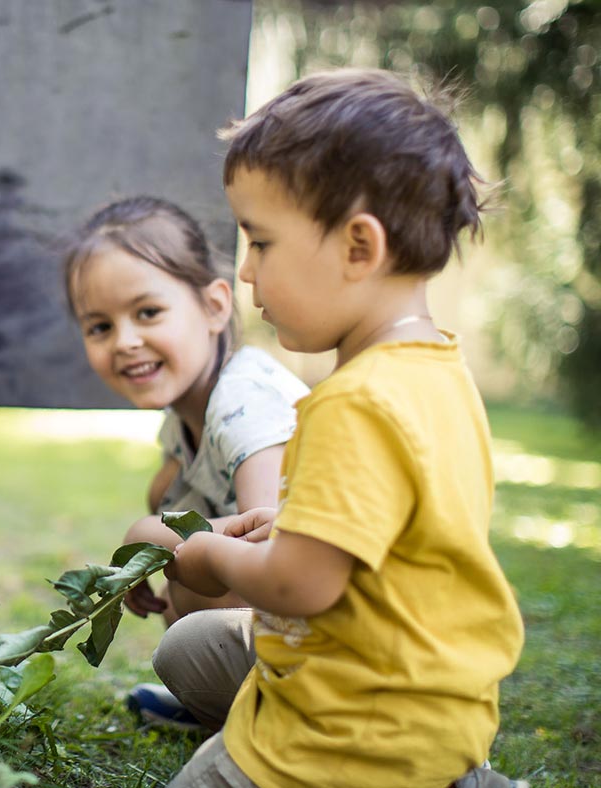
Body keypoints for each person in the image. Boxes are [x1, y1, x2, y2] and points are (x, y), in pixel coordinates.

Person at [163, 68, 526, 787]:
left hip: (355, 730)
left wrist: (208, 557)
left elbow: (298, 587)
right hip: (432, 699)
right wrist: (293, 522)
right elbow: (397, 532)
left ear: (359, 248)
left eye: (261, 243)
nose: (244, 275)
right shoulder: (437, 371)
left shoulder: (354, 401)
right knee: (187, 650)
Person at [62, 196, 309, 728]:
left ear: (215, 307)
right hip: (299, 624)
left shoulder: (244, 403)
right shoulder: (187, 414)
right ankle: (233, 706)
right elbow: (173, 494)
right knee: (174, 549)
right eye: (99, 326)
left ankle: (268, 718)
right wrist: (160, 518)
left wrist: (145, 536)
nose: (125, 341)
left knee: (178, 566)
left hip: (338, 625)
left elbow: (271, 539)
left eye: (148, 312)